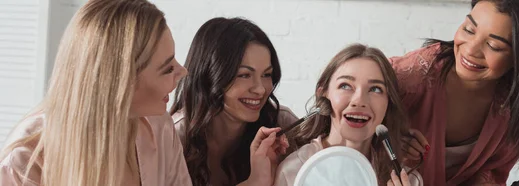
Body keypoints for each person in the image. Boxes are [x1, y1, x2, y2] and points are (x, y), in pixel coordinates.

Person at [0, 0, 192, 185]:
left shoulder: (160, 129)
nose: (183, 71)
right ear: (120, 83)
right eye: (167, 69)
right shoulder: (25, 163)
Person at [389, 0, 519, 185]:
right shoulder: (410, 77)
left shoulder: (516, 108)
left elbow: (494, 170)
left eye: (493, 45)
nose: (470, 49)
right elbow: (355, 126)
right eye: (469, 30)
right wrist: (391, 139)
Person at [169, 17, 297, 186]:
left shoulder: (281, 122)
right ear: (210, 76)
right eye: (244, 75)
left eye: (266, 75)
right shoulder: (174, 137)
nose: (260, 89)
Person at [276, 44, 423, 186]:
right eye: (345, 86)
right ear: (324, 93)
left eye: (376, 89)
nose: (359, 100)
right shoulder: (293, 171)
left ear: (389, 101)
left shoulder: (408, 180)